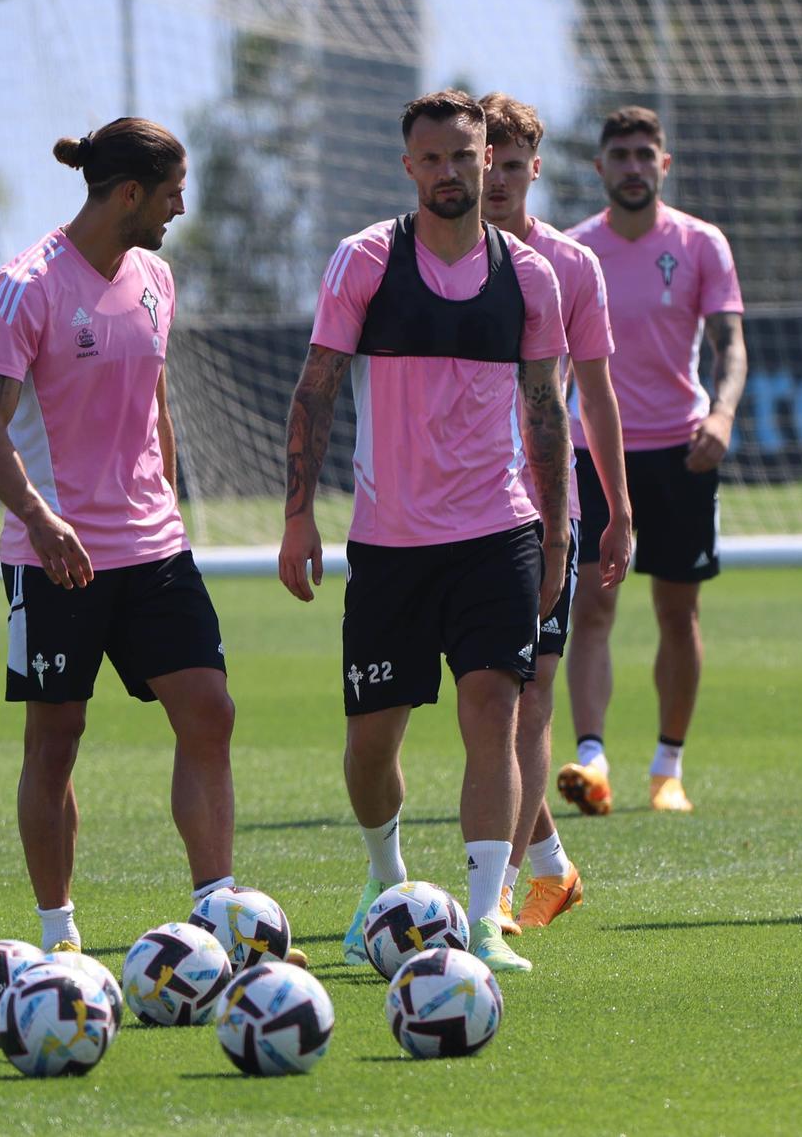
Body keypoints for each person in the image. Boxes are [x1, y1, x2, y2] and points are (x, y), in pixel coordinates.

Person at [279, 89, 570, 974]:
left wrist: (556, 536)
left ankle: (484, 918)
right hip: (391, 544)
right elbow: (317, 387)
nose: (450, 173)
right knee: (374, 740)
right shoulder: (365, 261)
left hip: (498, 533)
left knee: (496, 711)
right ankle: (386, 877)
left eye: (465, 156)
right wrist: (298, 516)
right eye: (432, 159)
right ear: (409, 167)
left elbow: (546, 410)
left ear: (493, 161)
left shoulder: (531, 275)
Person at [0, 119, 270, 959]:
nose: (182, 206)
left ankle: (216, 912)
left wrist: (167, 499)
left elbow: (156, 402)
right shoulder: (24, 286)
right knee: (56, 739)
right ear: (130, 193)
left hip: (154, 549)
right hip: (54, 557)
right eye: (173, 191)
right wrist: (39, 516)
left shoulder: (157, 279)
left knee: (209, 711)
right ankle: (60, 936)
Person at [558, 106, 746, 816]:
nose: (634, 166)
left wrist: (722, 414)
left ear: (664, 165)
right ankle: (592, 759)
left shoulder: (701, 244)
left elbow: (730, 344)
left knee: (677, 608)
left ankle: (668, 766)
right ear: (600, 168)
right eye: (621, 155)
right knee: (592, 602)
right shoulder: (571, 251)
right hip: (591, 451)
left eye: (646, 155)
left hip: (681, 451)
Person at [478, 92, 631, 935]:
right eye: (484, 162)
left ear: (535, 168)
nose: (496, 180)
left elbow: (597, 397)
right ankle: (547, 865)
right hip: (450, 504)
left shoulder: (572, 265)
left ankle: (496, 889)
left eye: (511, 164)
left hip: (540, 501)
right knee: (483, 703)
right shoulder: (438, 255)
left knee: (530, 696)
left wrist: (616, 505)